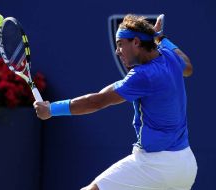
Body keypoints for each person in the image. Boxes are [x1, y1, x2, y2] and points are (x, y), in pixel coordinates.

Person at [33, 14, 197, 190]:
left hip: (155, 165)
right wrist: (161, 38)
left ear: (135, 42)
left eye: (120, 44)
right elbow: (187, 66)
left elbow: (97, 101)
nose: (117, 51)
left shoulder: (143, 75)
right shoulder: (170, 56)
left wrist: (51, 109)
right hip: (186, 166)